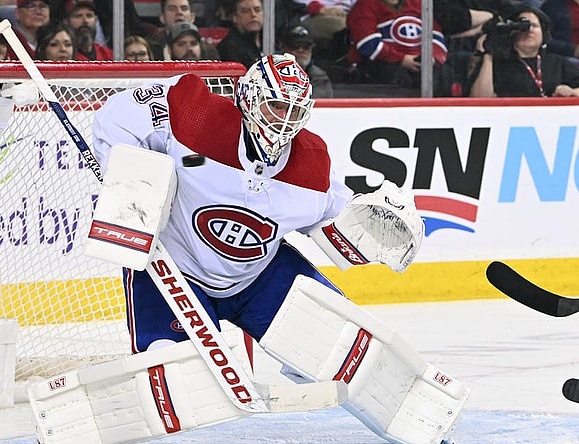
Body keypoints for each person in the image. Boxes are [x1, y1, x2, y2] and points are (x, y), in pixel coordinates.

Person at [85, 52, 452, 444]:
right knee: (171, 379)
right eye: (276, 106)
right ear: (248, 98)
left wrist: (379, 224)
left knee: (342, 349)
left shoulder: (311, 163)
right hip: (174, 270)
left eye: (295, 113)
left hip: (260, 279)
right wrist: (125, 175)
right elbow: (118, 116)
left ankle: (425, 431)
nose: (284, 123)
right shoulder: (194, 115)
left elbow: (338, 221)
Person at [346, 0, 455, 96]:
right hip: (382, 64)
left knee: (444, 74)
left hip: (419, 62)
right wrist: (401, 59)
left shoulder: (417, 3)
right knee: (396, 76)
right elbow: (368, 44)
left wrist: (431, 57)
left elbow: (436, 36)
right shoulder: (365, 6)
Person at [469, 5, 579, 96]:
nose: (529, 30)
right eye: (523, 26)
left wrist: (572, 92)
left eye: (535, 26)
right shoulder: (497, 64)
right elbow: (480, 100)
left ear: (543, 34)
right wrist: (488, 56)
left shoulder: (558, 63)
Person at [147, 0, 219, 60]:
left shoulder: (208, 51)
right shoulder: (149, 47)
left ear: (192, 17)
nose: (179, 12)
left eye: (184, 8)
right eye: (172, 9)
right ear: (162, 18)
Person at [278, 25, 333, 98]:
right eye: (295, 46)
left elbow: (317, 103)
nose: (301, 50)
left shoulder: (319, 77)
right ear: (283, 48)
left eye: (306, 47)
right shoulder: (270, 72)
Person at [217, 0, 263, 68]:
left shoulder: (272, 40)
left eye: (257, 10)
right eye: (245, 11)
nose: (253, 14)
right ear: (235, 17)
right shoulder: (229, 47)